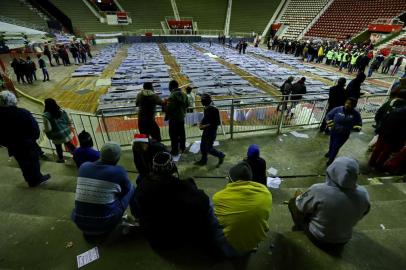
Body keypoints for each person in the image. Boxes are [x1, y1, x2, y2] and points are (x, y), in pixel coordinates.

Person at [132, 152, 214, 249]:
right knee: (210, 205)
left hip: (154, 236)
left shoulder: (143, 185)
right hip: (177, 239)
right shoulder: (181, 185)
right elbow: (203, 201)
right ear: (172, 168)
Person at [288, 157, 370, 248]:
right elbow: (364, 212)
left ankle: (299, 227)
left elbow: (300, 206)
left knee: (293, 202)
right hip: (344, 240)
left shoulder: (319, 190)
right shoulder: (363, 193)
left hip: (319, 238)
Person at [72, 141, 136, 236]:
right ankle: (137, 216)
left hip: (80, 224)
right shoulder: (119, 171)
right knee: (131, 187)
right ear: (117, 158)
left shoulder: (83, 166)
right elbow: (125, 192)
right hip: (105, 225)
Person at [212, 162, 272, 257]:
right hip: (254, 240)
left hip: (232, 247)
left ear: (231, 180)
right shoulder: (265, 193)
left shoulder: (219, 198)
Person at [0, 91, 50, 187]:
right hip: (27, 144)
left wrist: (7, 143)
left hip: (12, 146)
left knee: (22, 162)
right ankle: (37, 179)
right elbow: (35, 128)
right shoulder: (23, 113)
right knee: (33, 161)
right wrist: (33, 139)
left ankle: (29, 180)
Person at [325, 98, 362, 166]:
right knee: (331, 144)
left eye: (350, 104)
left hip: (343, 135)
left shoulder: (356, 114)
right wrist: (329, 124)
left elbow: (359, 125)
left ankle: (331, 159)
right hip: (334, 132)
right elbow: (329, 116)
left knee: (336, 147)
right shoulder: (338, 109)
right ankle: (330, 152)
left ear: (354, 105)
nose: (347, 105)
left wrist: (349, 129)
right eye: (347, 103)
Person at [194, 94, 225, 166]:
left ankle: (221, 155)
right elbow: (205, 117)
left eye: (202, 101)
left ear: (206, 101)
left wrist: (204, 126)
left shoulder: (214, 109)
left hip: (211, 132)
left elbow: (216, 123)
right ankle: (203, 160)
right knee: (202, 146)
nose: (201, 102)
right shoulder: (206, 107)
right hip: (206, 130)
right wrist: (201, 123)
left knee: (209, 148)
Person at [43, 98, 76, 163]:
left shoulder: (46, 115)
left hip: (56, 135)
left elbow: (48, 129)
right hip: (66, 132)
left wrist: (44, 130)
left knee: (58, 147)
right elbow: (69, 121)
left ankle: (61, 159)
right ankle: (77, 155)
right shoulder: (61, 110)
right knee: (69, 144)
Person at [166, 80, 189, 156]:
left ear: (171, 87)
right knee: (182, 134)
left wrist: (165, 105)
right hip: (181, 118)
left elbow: (169, 108)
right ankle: (183, 148)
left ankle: (175, 150)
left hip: (173, 119)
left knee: (173, 136)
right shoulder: (184, 94)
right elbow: (187, 104)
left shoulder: (172, 95)